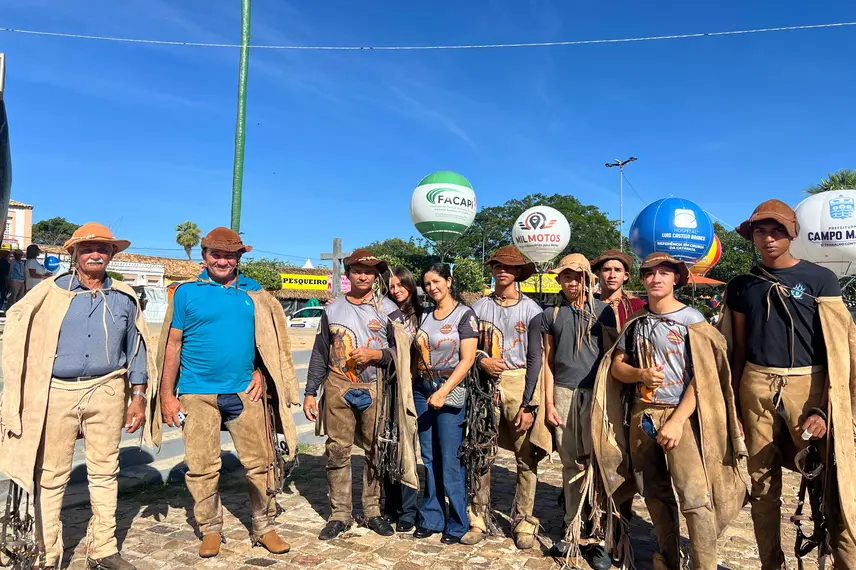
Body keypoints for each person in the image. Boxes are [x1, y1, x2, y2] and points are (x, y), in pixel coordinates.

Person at [0, 223, 158, 570]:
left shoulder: (124, 297)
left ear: (112, 254)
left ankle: (103, 549)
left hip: (107, 389)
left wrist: (138, 396)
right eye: (87, 248)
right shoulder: (49, 293)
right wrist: (21, 391)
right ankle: (47, 554)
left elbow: (137, 349)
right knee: (51, 474)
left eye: (102, 248)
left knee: (105, 470)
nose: (95, 254)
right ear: (73, 253)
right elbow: (17, 327)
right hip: (57, 391)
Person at [723, 199, 856, 569]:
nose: (768, 238)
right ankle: (771, 563)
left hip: (809, 385)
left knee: (832, 482)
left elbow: (838, 351)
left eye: (777, 231)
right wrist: (733, 406)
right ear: (752, 236)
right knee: (762, 484)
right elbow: (738, 348)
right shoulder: (742, 285)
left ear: (792, 234)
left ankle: (845, 561)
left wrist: (825, 411)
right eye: (761, 231)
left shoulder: (820, 279)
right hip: (755, 385)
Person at [596, 253, 746, 570]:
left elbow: (705, 378)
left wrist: (677, 421)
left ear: (675, 279)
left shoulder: (694, 321)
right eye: (650, 273)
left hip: (683, 417)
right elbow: (617, 367)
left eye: (664, 273)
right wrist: (639, 374)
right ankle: (668, 560)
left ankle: (704, 565)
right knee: (654, 493)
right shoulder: (636, 322)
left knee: (694, 498)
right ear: (643, 279)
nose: (656, 279)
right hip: (643, 414)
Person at [159, 227, 297, 559]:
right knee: (201, 466)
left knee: (262, 462)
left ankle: (264, 526)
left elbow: (268, 343)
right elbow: (172, 345)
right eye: (216, 254)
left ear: (238, 258)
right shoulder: (186, 293)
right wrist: (167, 395)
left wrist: (262, 372)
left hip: (245, 392)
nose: (223, 261)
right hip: (196, 393)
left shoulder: (254, 293)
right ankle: (210, 529)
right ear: (205, 255)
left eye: (230, 255)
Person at [304, 249, 402, 540]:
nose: (363, 276)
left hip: (375, 387)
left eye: (369, 272)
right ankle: (340, 514)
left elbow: (405, 351)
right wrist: (310, 392)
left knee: (375, 450)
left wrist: (378, 355)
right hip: (338, 386)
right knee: (337, 450)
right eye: (357, 271)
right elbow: (320, 353)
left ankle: (372, 511)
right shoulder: (332, 309)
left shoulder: (388, 309)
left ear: (376, 276)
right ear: (348, 274)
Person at [460, 246, 551, 549]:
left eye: (509, 267)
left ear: (518, 273)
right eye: (498, 266)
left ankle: (524, 521)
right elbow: (468, 346)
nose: (502, 271)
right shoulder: (479, 308)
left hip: (519, 380)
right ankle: (478, 518)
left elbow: (536, 357)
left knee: (526, 457)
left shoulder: (532, 310)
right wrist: (482, 359)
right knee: (481, 452)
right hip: (484, 383)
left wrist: (529, 403)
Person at [540, 254, 616, 569]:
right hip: (563, 394)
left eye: (578, 277)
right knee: (570, 465)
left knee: (597, 465)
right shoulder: (551, 314)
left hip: (596, 395)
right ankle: (572, 529)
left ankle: (598, 538)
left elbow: (613, 358)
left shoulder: (605, 312)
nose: (573, 283)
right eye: (567, 277)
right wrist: (549, 403)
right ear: (559, 280)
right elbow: (547, 361)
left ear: (588, 279)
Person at [412, 263, 478, 544]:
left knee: (450, 458)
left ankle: (458, 521)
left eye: (437, 281)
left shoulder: (465, 315)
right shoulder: (424, 315)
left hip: (449, 389)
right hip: (422, 389)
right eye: (427, 284)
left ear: (449, 281)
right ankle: (431, 517)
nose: (432, 288)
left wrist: (443, 391)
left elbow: (468, 359)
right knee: (428, 457)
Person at [381, 267, 422, 532]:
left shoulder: (422, 316)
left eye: (401, 285)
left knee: (408, 447)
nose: (396, 290)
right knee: (388, 443)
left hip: (412, 388)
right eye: (392, 286)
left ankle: (409, 509)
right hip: (387, 386)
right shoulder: (383, 312)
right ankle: (390, 505)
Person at [590, 249, 645, 328]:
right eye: (607, 270)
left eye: (617, 270)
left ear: (626, 276)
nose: (612, 275)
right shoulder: (588, 304)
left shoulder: (637, 307)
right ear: (598, 274)